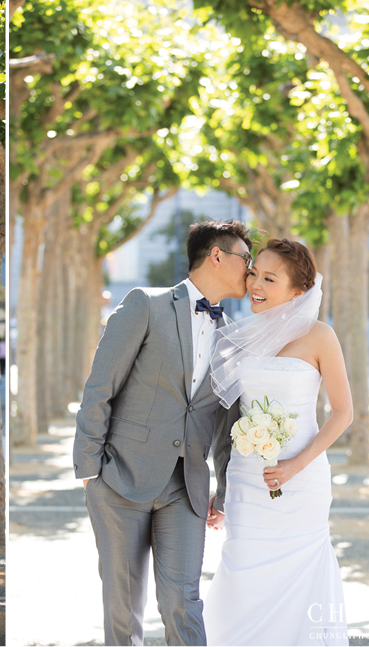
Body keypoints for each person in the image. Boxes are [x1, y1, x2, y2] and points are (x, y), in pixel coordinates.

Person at [73, 219, 251, 646]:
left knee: (182, 601)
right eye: (246, 259)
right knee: (123, 604)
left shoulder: (232, 339)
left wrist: (224, 492)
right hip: (120, 479)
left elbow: (229, 428)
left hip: (185, 489)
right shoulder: (145, 305)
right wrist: (89, 464)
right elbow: (101, 386)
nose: (251, 269)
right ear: (217, 256)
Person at [204, 238, 351, 646]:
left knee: (300, 577)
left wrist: (294, 465)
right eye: (254, 273)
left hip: (302, 483)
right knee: (242, 573)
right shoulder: (237, 337)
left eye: (269, 278)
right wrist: (222, 488)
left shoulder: (320, 336)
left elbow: (343, 413)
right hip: (248, 482)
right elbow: (223, 419)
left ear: (298, 292)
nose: (255, 283)